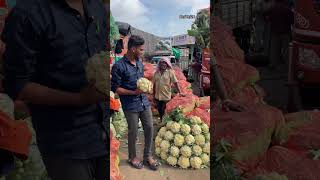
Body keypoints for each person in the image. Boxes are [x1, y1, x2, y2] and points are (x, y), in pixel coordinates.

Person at [1, 0, 108, 179]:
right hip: (66, 142)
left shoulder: (96, 6)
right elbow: (17, 85)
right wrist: (79, 99)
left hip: (104, 129)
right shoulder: (28, 13)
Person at [111, 35, 160, 171]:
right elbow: (115, 88)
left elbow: (142, 80)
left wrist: (147, 87)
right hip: (130, 105)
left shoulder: (139, 62)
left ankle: (147, 156)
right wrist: (134, 92)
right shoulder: (118, 66)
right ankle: (132, 157)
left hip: (143, 102)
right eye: (141, 49)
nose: (143, 52)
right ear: (133, 49)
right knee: (133, 131)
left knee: (150, 128)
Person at [153, 57, 185, 121]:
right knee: (160, 111)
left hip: (166, 96)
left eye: (165, 63)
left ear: (167, 64)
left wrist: (180, 92)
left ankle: (164, 123)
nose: (163, 65)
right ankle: (162, 122)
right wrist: (153, 95)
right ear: (159, 64)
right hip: (158, 96)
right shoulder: (156, 73)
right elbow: (154, 85)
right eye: (162, 63)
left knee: (165, 111)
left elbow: (176, 83)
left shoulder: (170, 72)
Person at [264, 0, 294, 69]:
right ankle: (288, 64)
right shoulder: (287, 9)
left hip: (275, 31)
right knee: (286, 50)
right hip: (285, 32)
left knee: (274, 49)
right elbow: (292, 20)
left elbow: (265, 14)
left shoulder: (272, 9)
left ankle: (273, 64)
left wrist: (269, 20)